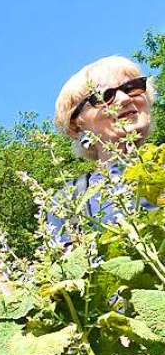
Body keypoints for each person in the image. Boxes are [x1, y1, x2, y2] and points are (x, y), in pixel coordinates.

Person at [50, 55, 155, 228]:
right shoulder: (69, 201)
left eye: (132, 87)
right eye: (104, 96)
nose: (125, 99)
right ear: (76, 125)